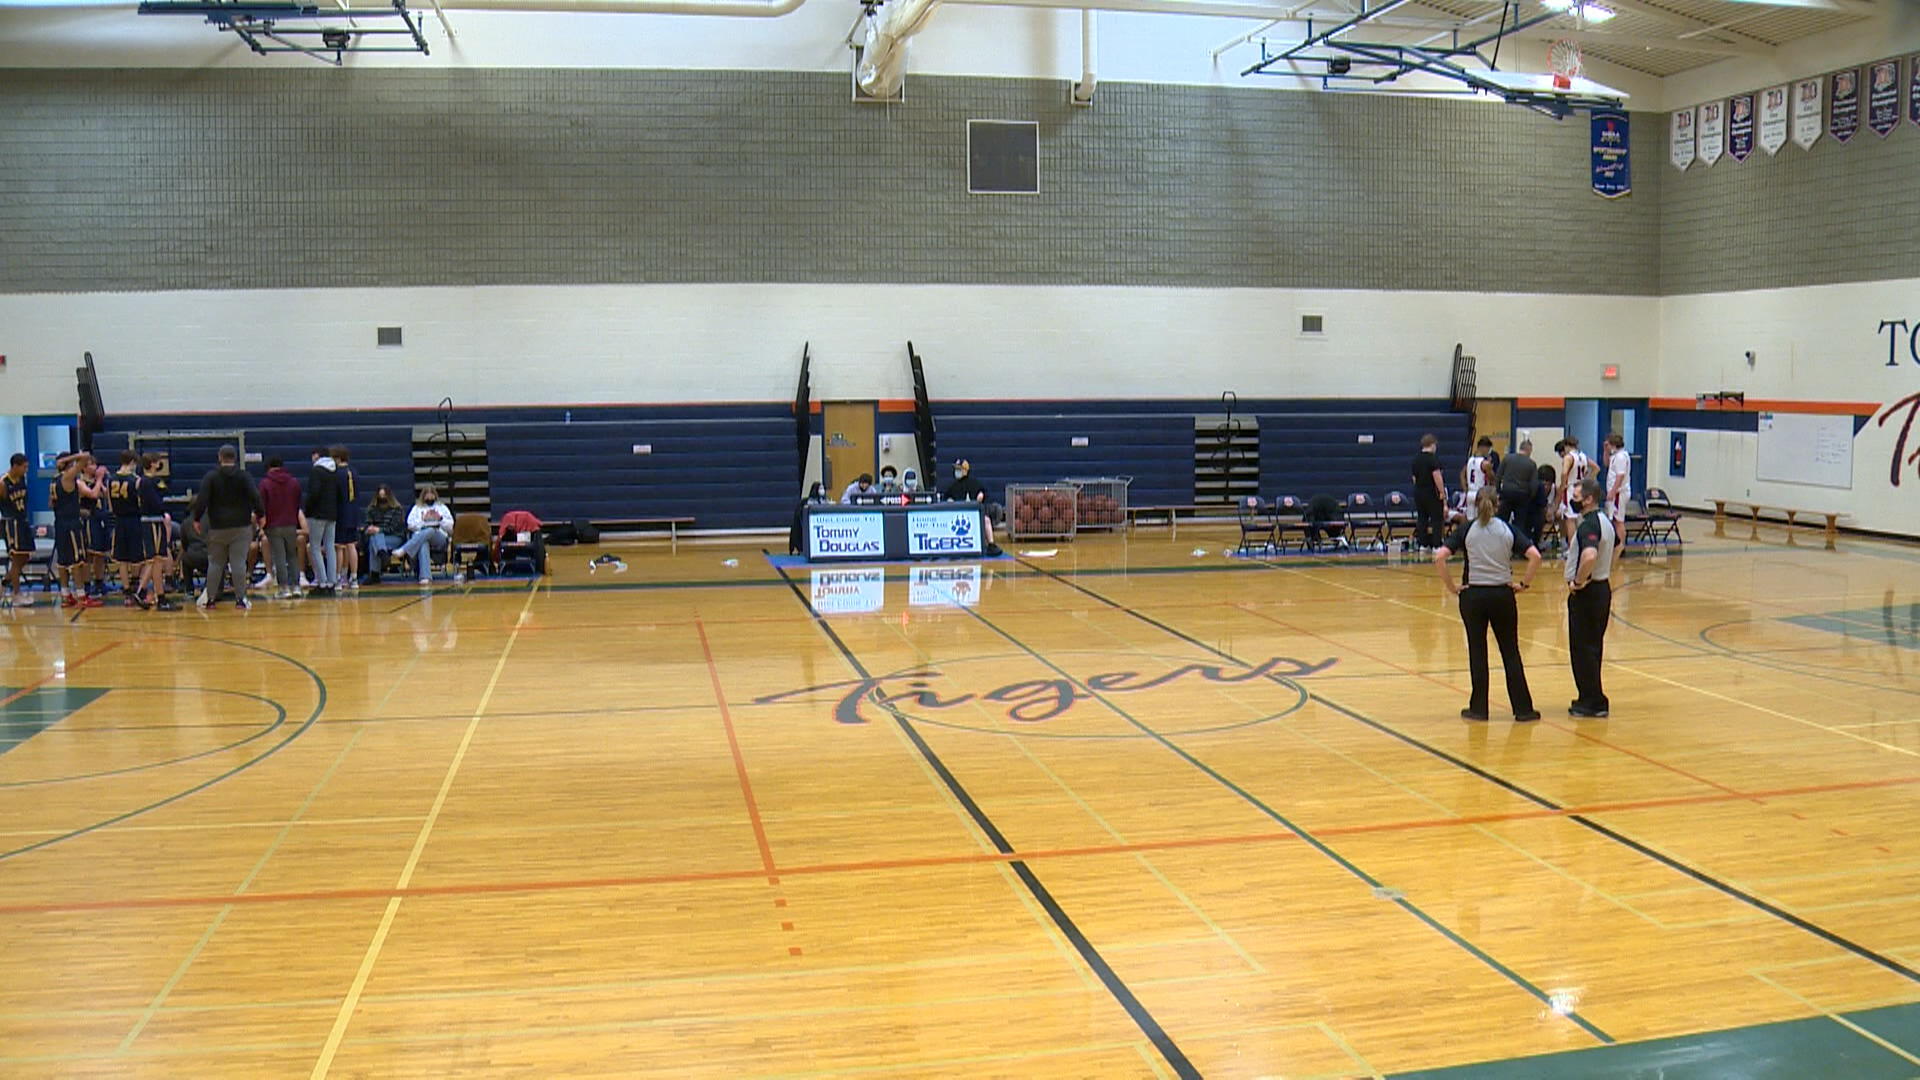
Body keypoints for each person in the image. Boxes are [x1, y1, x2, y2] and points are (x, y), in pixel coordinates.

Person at [1435, 489, 1542, 722]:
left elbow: (1440, 557)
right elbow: (1535, 556)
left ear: (1475, 504)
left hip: (1473, 595)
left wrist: (1452, 587)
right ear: (1497, 504)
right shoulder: (1507, 529)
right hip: (1502, 594)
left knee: (1477, 651)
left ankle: (1479, 709)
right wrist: (1524, 584)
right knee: (1510, 651)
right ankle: (1523, 709)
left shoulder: (1467, 529)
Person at [1566, 478, 1618, 718]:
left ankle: (1593, 701)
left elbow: (1589, 556)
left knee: (1583, 649)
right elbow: (1617, 546)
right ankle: (1590, 696)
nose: (1572, 500)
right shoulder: (1605, 521)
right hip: (1601, 587)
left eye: (1576, 496)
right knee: (1593, 647)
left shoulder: (1589, 524)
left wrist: (1578, 581)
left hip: (1588, 592)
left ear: (1588, 499)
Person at [189, 444, 264, 611]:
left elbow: (202, 499)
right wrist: (261, 514)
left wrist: (197, 518)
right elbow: (255, 496)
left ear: (219, 457)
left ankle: (210, 600)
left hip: (217, 527)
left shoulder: (211, 477)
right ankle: (240, 600)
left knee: (215, 563)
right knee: (238, 563)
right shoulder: (244, 476)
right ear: (235, 458)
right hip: (241, 526)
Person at [105, 451, 157, 608]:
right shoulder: (136, 480)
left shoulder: (110, 479)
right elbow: (141, 502)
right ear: (133, 462)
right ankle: (137, 588)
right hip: (134, 520)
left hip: (119, 521)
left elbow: (110, 504)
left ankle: (127, 592)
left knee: (122, 559)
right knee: (139, 558)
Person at [50, 453, 101, 609]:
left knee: (62, 562)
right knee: (76, 561)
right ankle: (81, 595)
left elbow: (51, 504)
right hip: (71, 524)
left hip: (59, 522)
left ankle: (66, 595)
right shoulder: (67, 477)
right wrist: (68, 459)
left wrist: (73, 508)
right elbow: (85, 456)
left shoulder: (54, 480)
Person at [138, 454, 182, 610]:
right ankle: (143, 592)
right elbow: (157, 502)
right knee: (155, 559)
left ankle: (159, 596)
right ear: (152, 464)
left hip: (152, 521)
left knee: (157, 560)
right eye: (157, 462)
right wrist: (164, 511)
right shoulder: (148, 481)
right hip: (153, 521)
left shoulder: (145, 481)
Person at [258, 456, 304, 599]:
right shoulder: (294, 482)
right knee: (292, 555)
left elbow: (261, 505)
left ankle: (284, 588)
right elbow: (298, 502)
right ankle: (296, 587)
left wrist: (262, 522)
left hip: (273, 524)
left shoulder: (265, 483)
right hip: (291, 523)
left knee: (279, 556)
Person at [395, 485, 455, 584]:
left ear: (435, 495)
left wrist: (440, 519)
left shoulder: (442, 507)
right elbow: (410, 525)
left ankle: (405, 549)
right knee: (423, 543)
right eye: (427, 494)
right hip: (421, 535)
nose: (429, 496)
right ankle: (425, 577)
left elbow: (450, 527)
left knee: (431, 530)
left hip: (438, 537)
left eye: (432, 494)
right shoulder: (417, 508)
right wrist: (423, 521)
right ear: (423, 495)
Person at [942, 459, 1002, 554]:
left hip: (973, 514)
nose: (956, 471)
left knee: (986, 520)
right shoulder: (953, 486)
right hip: (957, 515)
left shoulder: (974, 483)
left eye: (959, 469)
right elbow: (946, 497)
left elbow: (983, 493)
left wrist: (981, 495)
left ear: (965, 470)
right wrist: (949, 500)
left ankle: (991, 544)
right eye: (956, 469)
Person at [304, 446, 341, 596]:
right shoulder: (335, 471)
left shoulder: (316, 471)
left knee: (315, 547)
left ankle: (322, 582)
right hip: (332, 514)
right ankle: (332, 581)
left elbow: (314, 493)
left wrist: (307, 510)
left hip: (317, 514)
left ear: (317, 456)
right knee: (330, 547)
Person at [2, 454, 33, 608]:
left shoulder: (21, 479)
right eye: (24, 467)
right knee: (16, 558)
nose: (26, 470)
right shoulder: (3, 483)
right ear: (15, 466)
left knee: (25, 556)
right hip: (11, 523)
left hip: (22, 521)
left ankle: (4, 583)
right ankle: (16, 594)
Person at [332, 445, 362, 591]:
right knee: (351, 546)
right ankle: (354, 578)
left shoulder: (336, 474)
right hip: (353, 512)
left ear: (337, 458)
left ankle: (338, 578)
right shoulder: (353, 472)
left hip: (340, 513)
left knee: (339, 547)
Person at [364, 484, 407, 583]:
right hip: (377, 538)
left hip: (395, 537)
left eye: (384, 496)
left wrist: (378, 530)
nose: (382, 498)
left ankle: (374, 574)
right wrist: (369, 529)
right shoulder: (371, 509)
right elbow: (367, 524)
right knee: (373, 538)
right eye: (380, 496)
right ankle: (382, 554)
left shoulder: (397, 509)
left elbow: (394, 528)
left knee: (374, 539)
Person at [1556, 436, 1591, 552]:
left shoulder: (1568, 457)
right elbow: (1594, 469)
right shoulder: (1583, 456)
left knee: (1570, 519)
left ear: (1566, 446)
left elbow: (1564, 472)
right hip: (1581, 488)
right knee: (1579, 519)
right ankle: (1581, 546)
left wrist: (1563, 484)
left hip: (1571, 489)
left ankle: (1572, 549)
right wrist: (1586, 480)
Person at [1410, 434, 1445, 549]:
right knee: (1436, 519)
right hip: (1431, 492)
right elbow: (1437, 476)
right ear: (1432, 445)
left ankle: (1423, 544)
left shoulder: (1416, 459)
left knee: (1422, 518)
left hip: (1419, 492)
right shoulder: (1432, 458)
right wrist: (1442, 492)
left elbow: (1414, 478)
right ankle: (1436, 545)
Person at [1496, 439, 1538, 527]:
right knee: (1520, 523)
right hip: (1522, 495)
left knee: (1502, 521)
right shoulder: (1531, 464)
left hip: (1507, 492)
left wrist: (1499, 491)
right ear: (1529, 450)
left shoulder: (1507, 458)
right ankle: (1517, 535)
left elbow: (1498, 476)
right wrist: (1530, 497)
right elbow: (1534, 484)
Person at [1603, 432, 1631, 555]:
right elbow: (1606, 464)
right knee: (1615, 519)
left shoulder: (1621, 457)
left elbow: (1620, 476)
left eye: (1608, 444)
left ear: (1613, 444)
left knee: (1619, 521)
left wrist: (1613, 491)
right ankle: (1619, 545)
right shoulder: (1616, 455)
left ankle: (1621, 547)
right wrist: (1605, 451)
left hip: (1619, 493)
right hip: (1616, 492)